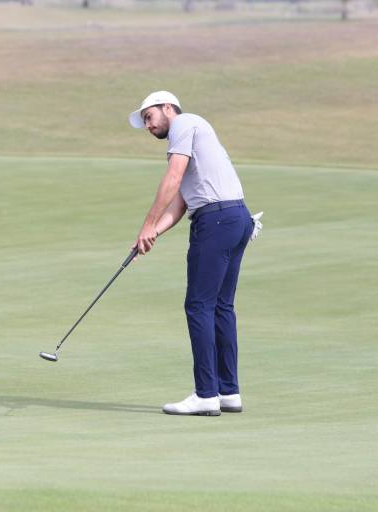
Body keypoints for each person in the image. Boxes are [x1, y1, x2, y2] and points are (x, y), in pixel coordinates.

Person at [128, 91, 262, 416]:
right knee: (220, 307)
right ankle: (228, 391)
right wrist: (153, 233)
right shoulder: (193, 139)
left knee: (198, 306)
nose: (148, 126)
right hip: (236, 218)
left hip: (216, 221)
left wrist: (146, 223)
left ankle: (205, 394)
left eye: (149, 117)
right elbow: (182, 201)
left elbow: (173, 179)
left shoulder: (184, 124)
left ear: (168, 108)